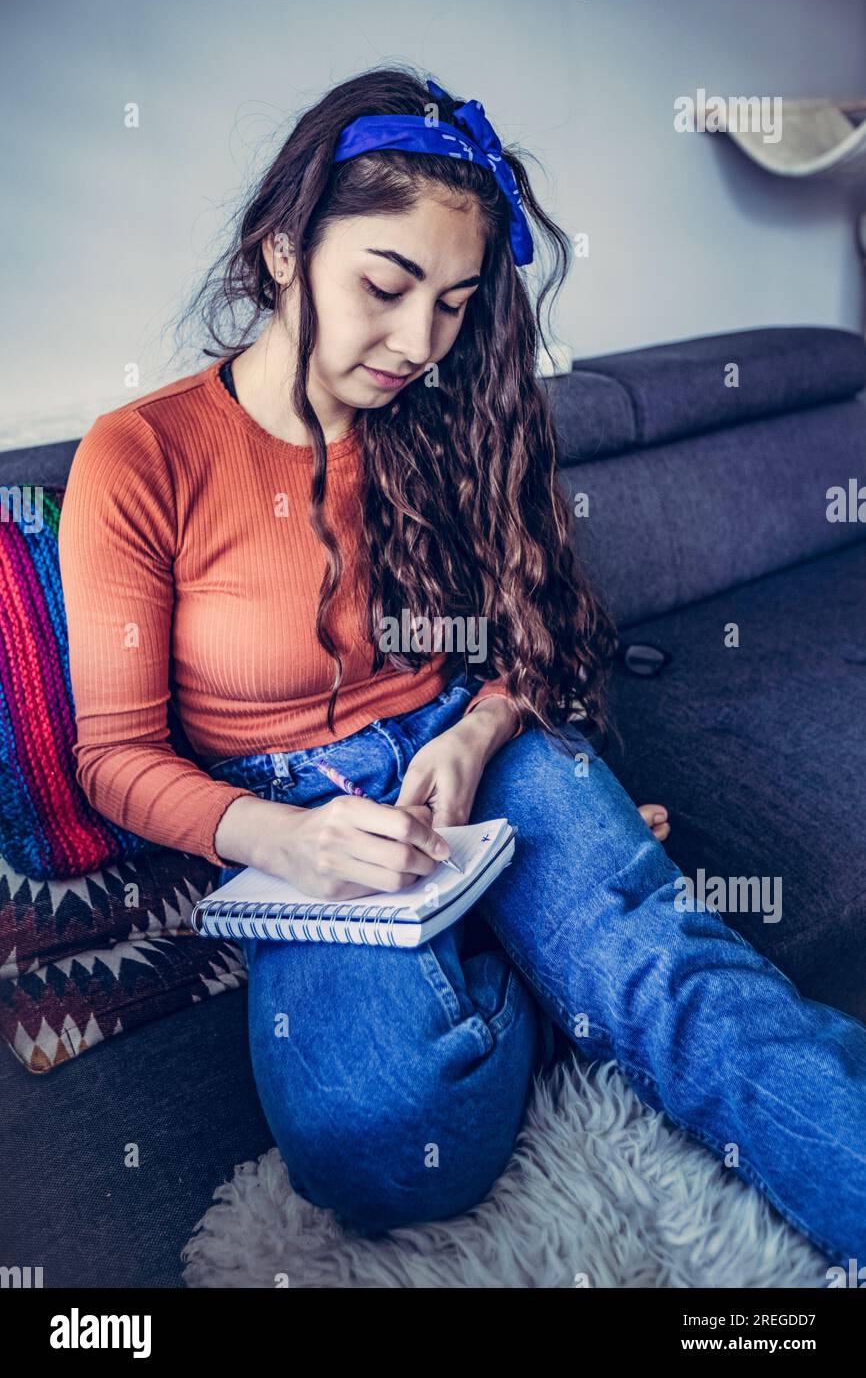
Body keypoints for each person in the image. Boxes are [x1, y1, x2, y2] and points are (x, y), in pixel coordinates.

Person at [59, 68, 865, 1265]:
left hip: (474, 749)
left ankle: (584, 939)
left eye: (453, 301)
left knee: (672, 989)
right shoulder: (139, 457)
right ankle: (543, 953)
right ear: (283, 250)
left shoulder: (453, 416)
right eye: (385, 286)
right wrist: (283, 838)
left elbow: (525, 640)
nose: (417, 341)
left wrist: (479, 731)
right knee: (371, 1139)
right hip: (292, 819)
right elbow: (112, 758)